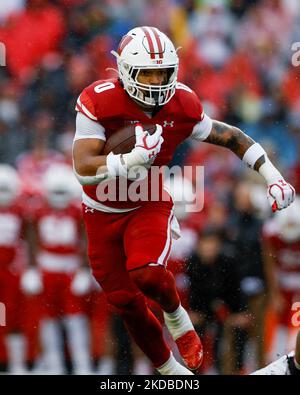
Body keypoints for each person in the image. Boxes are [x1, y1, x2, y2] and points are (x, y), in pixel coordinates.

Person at [72, 26, 295, 375]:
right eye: (148, 73)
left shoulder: (182, 103)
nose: (157, 81)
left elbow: (231, 137)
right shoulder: (98, 99)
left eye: (163, 72)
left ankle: (177, 318)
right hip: (100, 209)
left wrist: (273, 176)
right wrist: (129, 160)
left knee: (146, 273)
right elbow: (84, 168)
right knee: (124, 302)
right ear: (126, 71)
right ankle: (173, 374)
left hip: (148, 199)